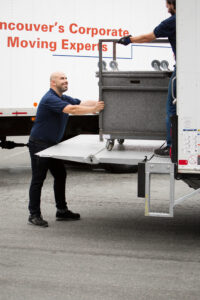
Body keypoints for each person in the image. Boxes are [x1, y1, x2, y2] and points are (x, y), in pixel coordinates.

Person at [28, 71, 104, 227]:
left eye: (66, 78)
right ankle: (33, 214)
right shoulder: (50, 99)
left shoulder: (62, 98)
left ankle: (61, 211)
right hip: (39, 144)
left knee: (60, 175)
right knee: (38, 179)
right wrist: (94, 109)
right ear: (52, 83)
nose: (66, 81)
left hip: (52, 144)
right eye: (62, 79)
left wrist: (101, 103)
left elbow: (81, 103)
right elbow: (73, 110)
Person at [118, 0, 176, 157]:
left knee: (172, 108)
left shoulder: (172, 22)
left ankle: (171, 147)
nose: (166, 7)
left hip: (183, 70)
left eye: (167, 4)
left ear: (173, 4)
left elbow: (148, 37)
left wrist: (129, 40)